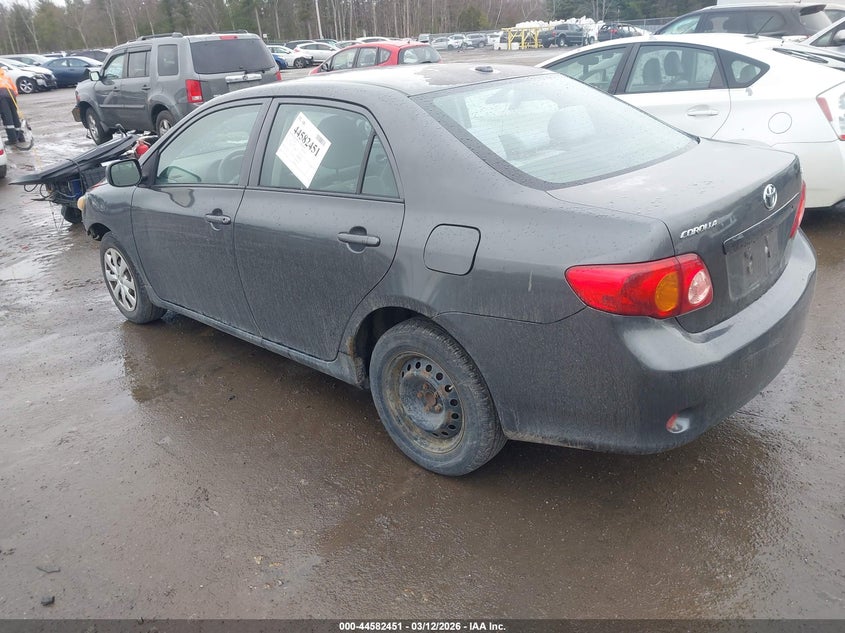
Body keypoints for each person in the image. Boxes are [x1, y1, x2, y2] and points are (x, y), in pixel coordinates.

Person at [0, 67, 24, 144]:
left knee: (7, 116)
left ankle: (12, 139)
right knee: (14, 115)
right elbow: (16, 91)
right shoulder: (5, 76)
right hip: (11, 94)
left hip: (1, 95)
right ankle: (20, 137)